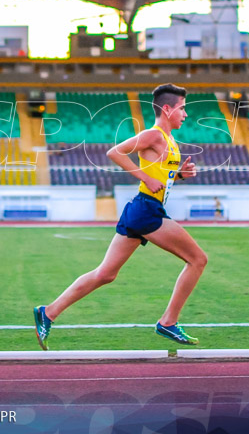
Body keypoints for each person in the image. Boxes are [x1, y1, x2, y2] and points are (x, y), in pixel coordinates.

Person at [33, 83, 206, 349]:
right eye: (182, 108)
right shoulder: (154, 135)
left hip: (142, 209)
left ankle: (48, 312)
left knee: (105, 274)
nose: (185, 114)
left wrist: (180, 174)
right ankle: (168, 322)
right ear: (168, 109)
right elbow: (115, 152)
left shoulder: (169, 141)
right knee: (197, 259)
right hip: (147, 210)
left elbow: (162, 177)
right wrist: (144, 176)